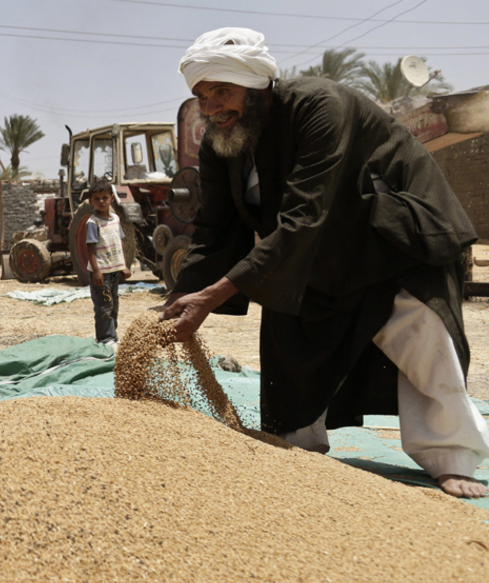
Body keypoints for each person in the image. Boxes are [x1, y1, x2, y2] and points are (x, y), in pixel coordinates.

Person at [162, 27, 487, 498]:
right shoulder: (219, 144)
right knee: (290, 335)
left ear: (256, 85)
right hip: (314, 248)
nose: (210, 107)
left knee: (420, 332)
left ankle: (451, 457)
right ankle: (296, 445)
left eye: (222, 91)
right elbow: (215, 230)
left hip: (390, 235)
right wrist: (179, 297)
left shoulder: (319, 105)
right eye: (201, 95)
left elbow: (303, 214)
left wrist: (215, 295)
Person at [84, 180, 131, 346]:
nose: (101, 201)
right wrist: (96, 271)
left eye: (105, 197)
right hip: (102, 273)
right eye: (97, 198)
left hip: (114, 271)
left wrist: (124, 265)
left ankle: (113, 335)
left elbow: (121, 241)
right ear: (91, 201)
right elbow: (90, 249)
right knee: (103, 306)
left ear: (112, 198)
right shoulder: (92, 223)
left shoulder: (116, 219)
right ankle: (105, 339)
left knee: (113, 305)